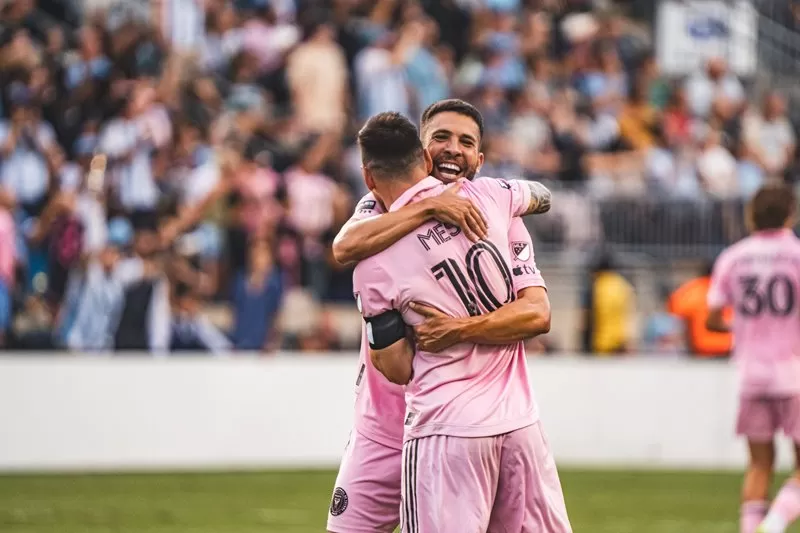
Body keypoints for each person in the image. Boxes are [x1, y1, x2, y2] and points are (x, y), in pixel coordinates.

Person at [326, 100, 555, 532]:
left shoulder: (497, 209)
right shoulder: (376, 212)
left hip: (447, 423)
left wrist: (456, 329)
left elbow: (538, 310)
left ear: (480, 160)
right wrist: (429, 207)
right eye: (442, 139)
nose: (454, 150)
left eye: (467, 142)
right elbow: (342, 247)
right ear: (424, 154)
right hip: (386, 426)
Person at [705, 184, 800, 533]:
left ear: (752, 215)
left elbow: (713, 318)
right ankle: (773, 524)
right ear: (791, 213)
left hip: (751, 373)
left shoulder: (733, 257)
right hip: (793, 372)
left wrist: (743, 328)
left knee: (759, 465)